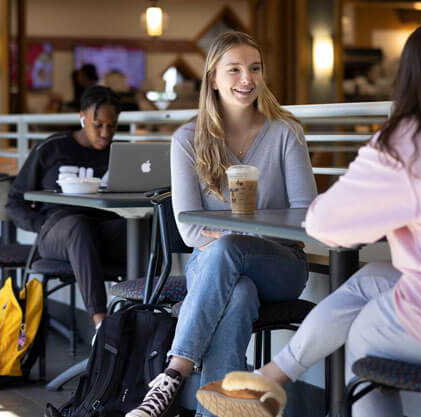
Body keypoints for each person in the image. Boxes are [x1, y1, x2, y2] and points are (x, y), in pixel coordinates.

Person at [194, 21, 421, 417]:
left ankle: (272, 381)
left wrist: (392, 212)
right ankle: (269, 377)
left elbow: (324, 225)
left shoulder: (408, 143)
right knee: (372, 280)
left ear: (409, 78)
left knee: (361, 334)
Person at [126, 31, 317, 417]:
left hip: (280, 265)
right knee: (240, 292)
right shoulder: (187, 139)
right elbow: (189, 230)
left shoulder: (285, 133)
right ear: (213, 78)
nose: (246, 79)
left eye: (254, 68)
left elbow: (306, 216)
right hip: (212, 268)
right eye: (234, 70)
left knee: (230, 249)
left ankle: (173, 372)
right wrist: (248, 233)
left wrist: (239, 236)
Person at [6, 85, 125, 330]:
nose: (105, 132)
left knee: (141, 228)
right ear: (83, 118)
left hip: (101, 230)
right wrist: (39, 225)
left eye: (111, 126)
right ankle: (101, 327)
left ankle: (140, 317)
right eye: (98, 125)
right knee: (78, 226)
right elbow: (14, 202)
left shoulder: (120, 153)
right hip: (56, 232)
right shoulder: (53, 148)